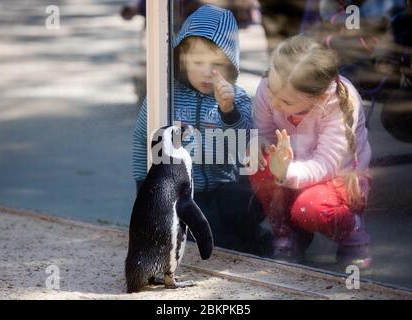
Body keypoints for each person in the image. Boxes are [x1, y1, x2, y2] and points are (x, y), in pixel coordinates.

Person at [132, 5, 258, 252]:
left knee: (240, 217)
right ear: (182, 59)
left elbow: (246, 142)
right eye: (197, 62)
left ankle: (251, 238)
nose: (206, 72)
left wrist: (228, 111)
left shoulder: (238, 98)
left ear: (231, 64)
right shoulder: (165, 97)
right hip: (181, 192)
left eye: (218, 64)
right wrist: (143, 185)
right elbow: (142, 139)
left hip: (224, 187)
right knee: (197, 234)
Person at [248, 34, 373, 268]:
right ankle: (287, 232)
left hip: (334, 178)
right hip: (291, 166)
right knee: (258, 163)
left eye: (285, 102)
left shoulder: (338, 103)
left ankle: (351, 228)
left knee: (309, 208)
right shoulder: (271, 87)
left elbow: (326, 164)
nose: (273, 103)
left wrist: (285, 171)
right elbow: (263, 131)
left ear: (319, 98)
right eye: (272, 91)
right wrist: (260, 144)